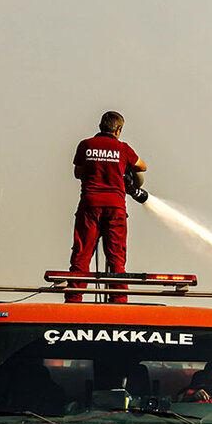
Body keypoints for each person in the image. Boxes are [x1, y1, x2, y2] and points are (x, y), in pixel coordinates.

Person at [67, 110, 147, 303]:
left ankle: (74, 299)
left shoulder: (85, 145)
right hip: (115, 208)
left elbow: (78, 172)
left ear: (101, 126)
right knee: (116, 257)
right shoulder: (123, 149)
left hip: (89, 207)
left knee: (82, 254)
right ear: (118, 130)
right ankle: (118, 300)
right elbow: (142, 167)